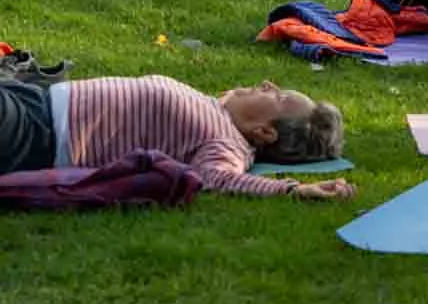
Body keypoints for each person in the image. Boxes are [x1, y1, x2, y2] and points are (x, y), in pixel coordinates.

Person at [0, 75, 351, 199]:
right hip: (36, 100)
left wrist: (292, 189)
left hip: (36, 135)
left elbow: (219, 178)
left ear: (265, 131)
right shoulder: (215, 110)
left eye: (279, 97)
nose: (268, 85)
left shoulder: (228, 144)